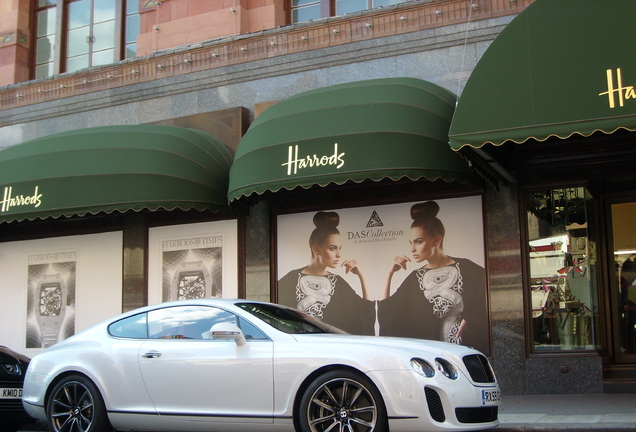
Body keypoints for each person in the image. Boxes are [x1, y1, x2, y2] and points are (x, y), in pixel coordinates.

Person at [377, 201, 488, 352]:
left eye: (418, 242)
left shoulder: (468, 269)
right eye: (411, 242)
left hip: (466, 351)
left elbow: (492, 299)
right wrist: (389, 274)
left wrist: (472, 319)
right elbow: (389, 314)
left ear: (437, 240)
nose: (412, 249)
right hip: (430, 356)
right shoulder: (415, 279)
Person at [278, 211, 376, 335]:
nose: (339, 254)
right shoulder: (290, 280)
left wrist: (361, 276)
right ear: (316, 249)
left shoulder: (338, 283)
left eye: (340, 248)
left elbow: (366, 313)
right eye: (332, 248)